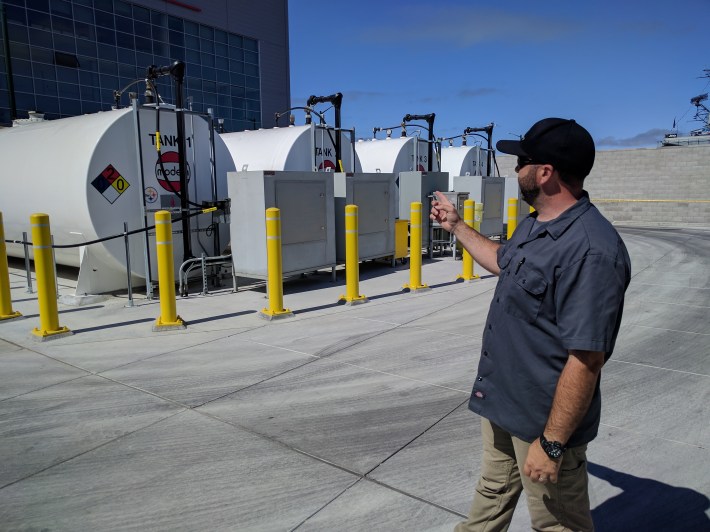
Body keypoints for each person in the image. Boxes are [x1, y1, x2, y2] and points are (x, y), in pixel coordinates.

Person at [430, 118, 631, 531]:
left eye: (522, 160)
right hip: (504, 404)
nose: (515, 169)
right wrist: (456, 226)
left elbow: (586, 358)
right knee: (492, 493)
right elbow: (503, 263)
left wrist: (553, 444)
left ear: (545, 172)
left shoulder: (592, 252)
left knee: (558, 523)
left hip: (542, 422)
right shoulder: (536, 225)